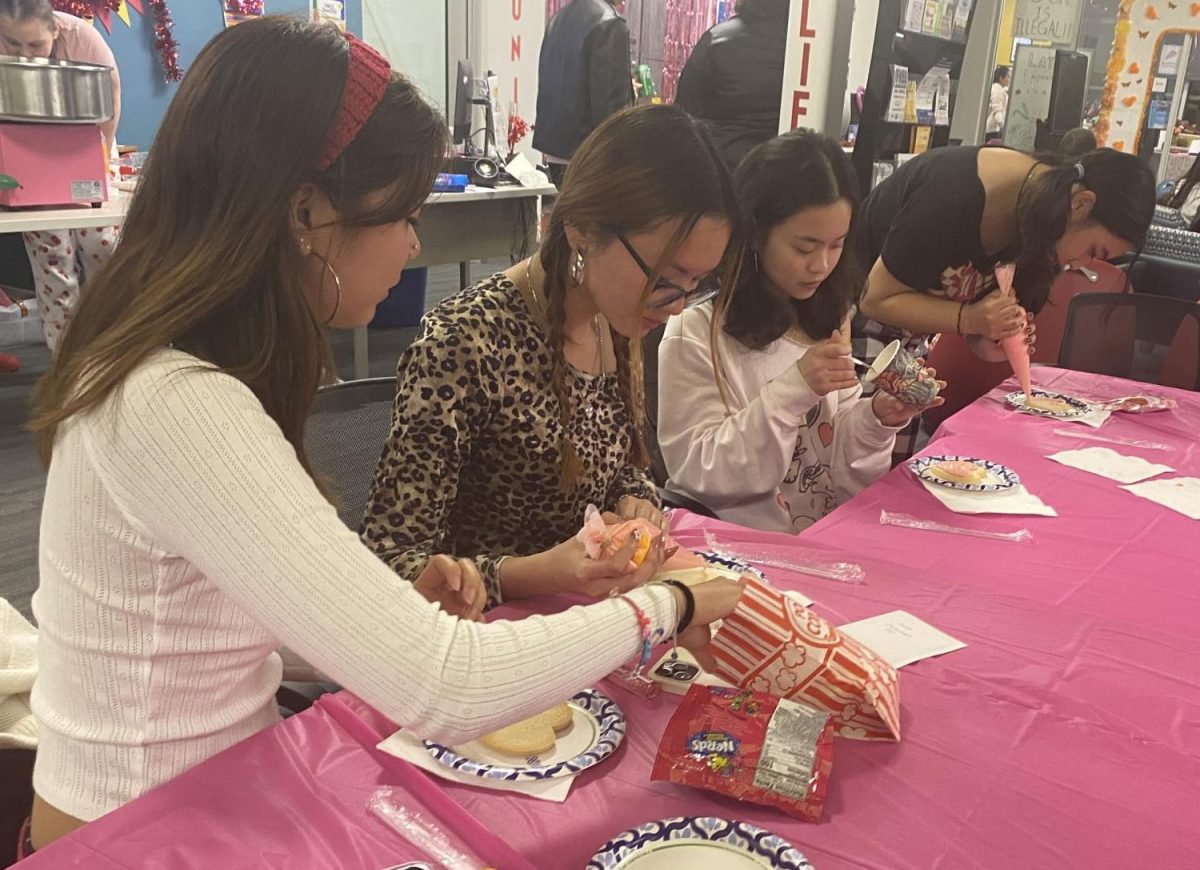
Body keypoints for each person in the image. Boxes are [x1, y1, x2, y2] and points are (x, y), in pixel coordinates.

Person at [25, 20, 742, 852]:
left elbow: (202, 631)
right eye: (402, 214)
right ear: (307, 213)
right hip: (140, 834)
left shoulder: (182, 375)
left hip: (206, 795)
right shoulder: (176, 405)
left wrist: (384, 611)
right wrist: (670, 603)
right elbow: (444, 685)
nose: (415, 244)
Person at [361, 104, 739, 608]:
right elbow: (390, 560)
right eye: (665, 280)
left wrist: (638, 503)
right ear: (583, 227)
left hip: (587, 620)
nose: (674, 307)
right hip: (481, 637)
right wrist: (542, 574)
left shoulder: (618, 318)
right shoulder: (464, 344)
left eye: (696, 284)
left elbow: (624, 465)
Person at [656, 132, 939, 533]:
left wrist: (876, 419)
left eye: (836, 246)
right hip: (735, 549)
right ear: (755, 233)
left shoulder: (829, 316)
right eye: (804, 248)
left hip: (822, 538)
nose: (821, 266)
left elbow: (840, 470)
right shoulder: (697, 331)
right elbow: (702, 474)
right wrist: (795, 388)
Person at [853, 145, 1155, 456]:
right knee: (844, 473)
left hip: (908, 350)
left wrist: (989, 338)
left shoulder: (1045, 226)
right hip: (843, 330)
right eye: (1094, 250)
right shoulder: (954, 194)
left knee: (889, 472)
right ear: (1081, 203)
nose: (1081, 264)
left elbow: (966, 320)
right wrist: (971, 318)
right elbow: (875, 299)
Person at [0, 0, 122, 354]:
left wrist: (95, 168)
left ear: (54, 29)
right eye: (13, 44)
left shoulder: (84, 40)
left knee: (102, 245)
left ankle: (114, 353)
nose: (26, 55)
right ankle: (65, 368)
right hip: (24, 159)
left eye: (36, 45)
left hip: (88, 147)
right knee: (53, 259)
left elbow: (109, 107)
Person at [674, 0, 788, 167]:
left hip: (722, 170)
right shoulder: (803, 49)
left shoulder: (717, 39)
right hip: (779, 170)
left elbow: (682, 116)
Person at [533, 0, 633, 187]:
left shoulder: (559, 18)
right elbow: (611, 108)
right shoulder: (610, 23)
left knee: (570, 213)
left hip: (556, 151)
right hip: (591, 155)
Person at [985, 65, 1009, 143]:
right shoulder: (997, 89)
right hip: (993, 129)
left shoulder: (1000, 89)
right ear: (1001, 78)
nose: (1009, 79)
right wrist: (1002, 126)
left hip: (994, 128)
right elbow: (997, 109)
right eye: (1007, 77)